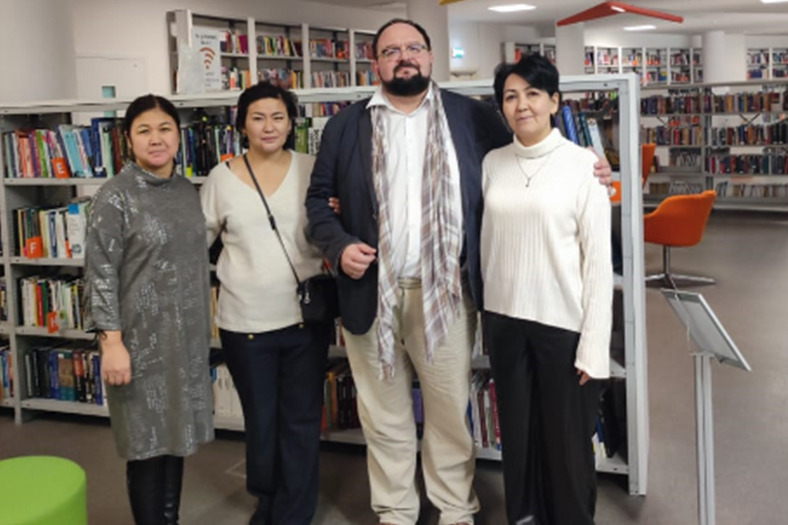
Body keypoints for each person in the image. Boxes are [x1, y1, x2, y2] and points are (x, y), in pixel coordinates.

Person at [306, 18, 612, 525]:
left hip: (445, 293)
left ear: (430, 57)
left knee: (449, 413)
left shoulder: (471, 117)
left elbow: (528, 150)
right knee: (382, 416)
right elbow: (319, 201)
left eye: (414, 47)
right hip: (370, 292)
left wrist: (591, 165)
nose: (404, 57)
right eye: (391, 51)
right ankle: (396, 511)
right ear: (375, 63)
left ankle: (454, 510)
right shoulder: (345, 125)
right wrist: (337, 246)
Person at [481, 54, 613, 525]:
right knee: (518, 442)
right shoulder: (492, 162)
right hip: (504, 322)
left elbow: (598, 264)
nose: (522, 105)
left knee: (567, 445)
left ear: (555, 102)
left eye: (533, 94)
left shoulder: (584, 166)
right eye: (511, 96)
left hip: (563, 325)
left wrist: (594, 347)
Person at [200, 81, 332, 525]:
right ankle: (267, 499)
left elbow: (329, 230)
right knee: (261, 420)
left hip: (304, 318)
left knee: (300, 419)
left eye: (278, 117)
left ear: (291, 123)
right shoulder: (221, 178)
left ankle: (295, 512)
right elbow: (199, 240)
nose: (269, 126)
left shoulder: (313, 170)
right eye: (257, 118)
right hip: (244, 322)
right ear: (242, 125)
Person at [84, 94, 214, 525]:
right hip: (138, 342)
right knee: (145, 447)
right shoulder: (114, 196)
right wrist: (111, 344)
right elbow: (100, 274)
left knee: (176, 438)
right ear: (128, 139)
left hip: (185, 338)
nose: (156, 139)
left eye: (164, 129)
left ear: (178, 135)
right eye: (144, 130)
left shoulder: (186, 190)